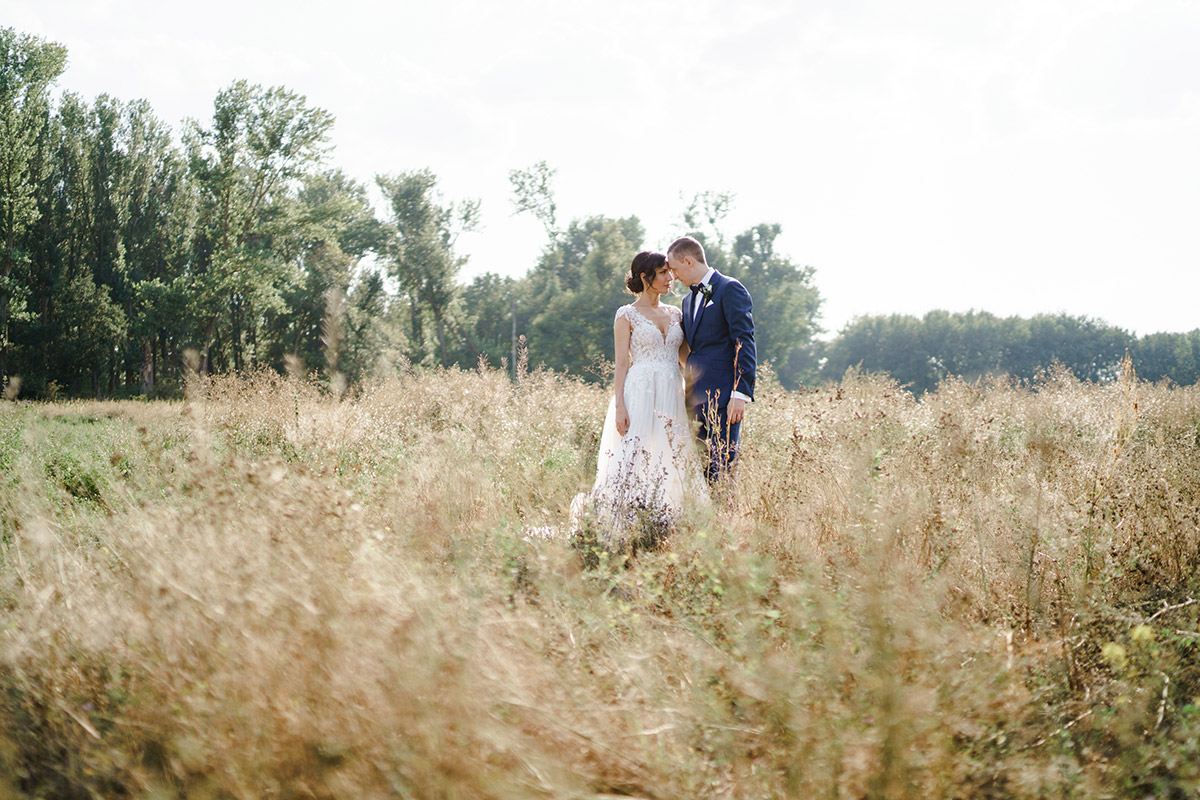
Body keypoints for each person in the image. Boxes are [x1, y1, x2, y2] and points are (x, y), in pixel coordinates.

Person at [572, 251, 707, 544]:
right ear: (645, 277)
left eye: (670, 272)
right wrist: (620, 405)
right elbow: (621, 363)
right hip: (640, 391)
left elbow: (686, 358)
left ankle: (673, 522)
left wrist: (713, 377)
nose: (670, 278)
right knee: (635, 453)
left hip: (671, 391)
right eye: (662, 273)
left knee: (672, 453)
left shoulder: (676, 314)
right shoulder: (626, 314)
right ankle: (621, 523)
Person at [667, 236, 756, 487]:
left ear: (688, 261)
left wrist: (741, 393)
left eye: (674, 269)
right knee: (698, 472)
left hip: (725, 398)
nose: (673, 276)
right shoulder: (686, 301)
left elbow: (744, 341)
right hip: (693, 399)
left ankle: (727, 522)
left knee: (722, 470)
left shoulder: (730, 288)